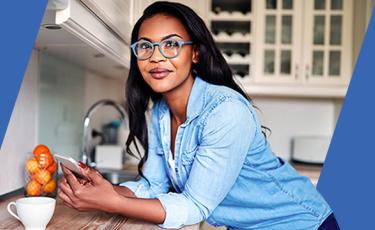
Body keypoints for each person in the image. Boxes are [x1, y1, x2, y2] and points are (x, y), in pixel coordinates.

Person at [58, 1, 340, 229]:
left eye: (171, 44)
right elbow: (153, 186)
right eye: (145, 46)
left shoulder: (226, 112)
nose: (156, 56)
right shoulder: (160, 112)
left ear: (195, 54)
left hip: (301, 223)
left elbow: (195, 206)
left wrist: (111, 201)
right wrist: (103, 190)